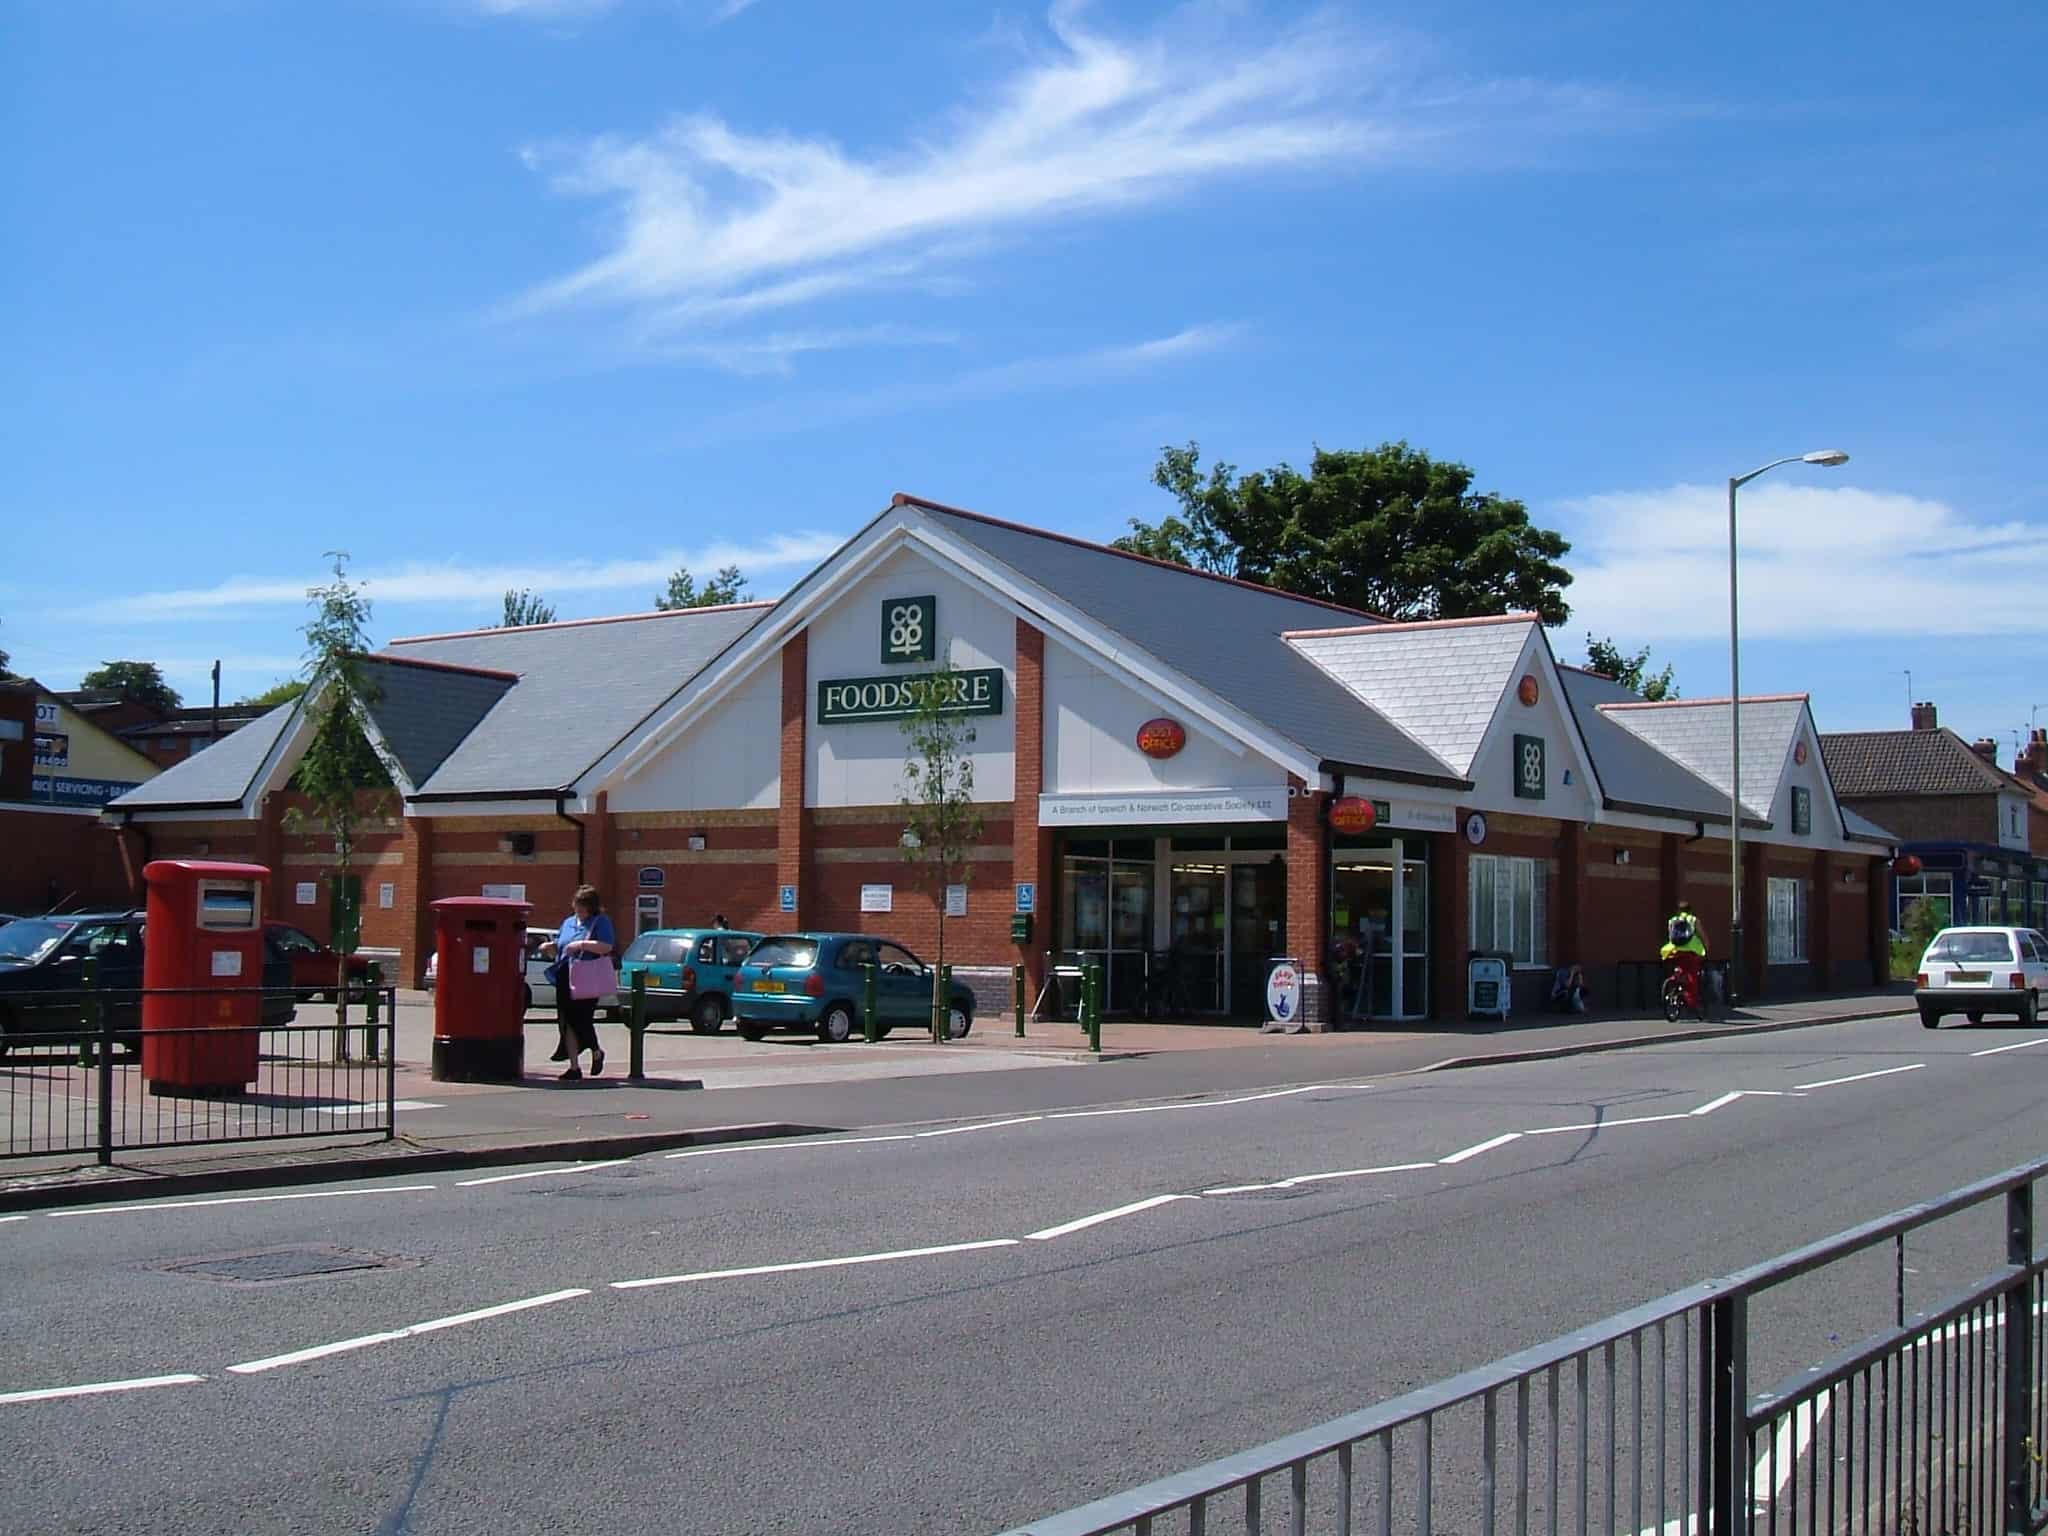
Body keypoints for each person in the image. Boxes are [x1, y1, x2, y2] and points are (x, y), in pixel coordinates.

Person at [541, 884, 615, 1081]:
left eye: (584, 907)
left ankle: (596, 1050)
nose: (580, 911)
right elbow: (561, 945)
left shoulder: (600, 921)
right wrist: (550, 946)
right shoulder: (568, 922)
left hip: (586, 975)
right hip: (564, 974)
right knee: (566, 1022)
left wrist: (581, 944)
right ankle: (574, 1067)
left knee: (581, 1019)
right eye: (577, 906)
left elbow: (606, 946)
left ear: (592, 907)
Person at [1660, 898, 1708, 1010]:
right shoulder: (1693, 920)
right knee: (1692, 975)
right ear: (1690, 910)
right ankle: (1691, 1002)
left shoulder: (1672, 920)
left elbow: (1671, 936)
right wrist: (1706, 946)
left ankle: (1674, 981)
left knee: (1679, 967)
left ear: (1678, 910)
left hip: (1673, 951)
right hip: (1691, 951)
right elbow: (1702, 935)